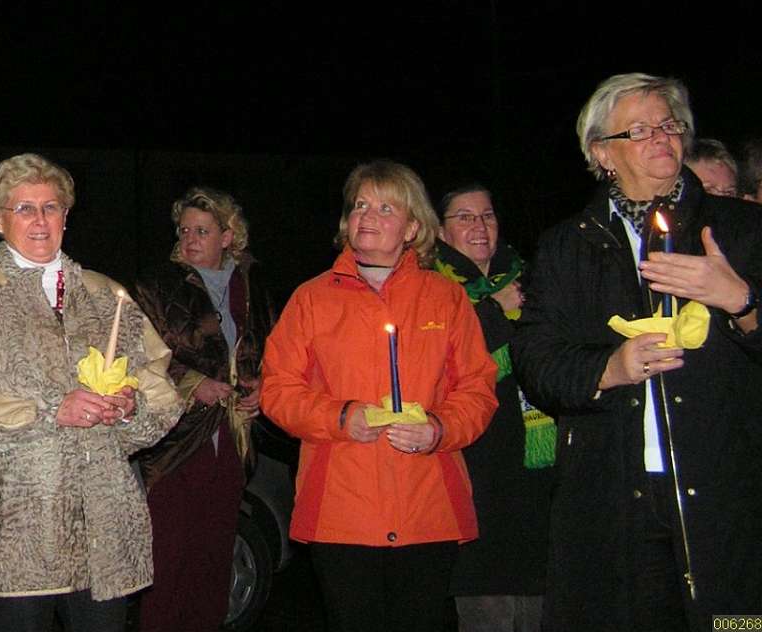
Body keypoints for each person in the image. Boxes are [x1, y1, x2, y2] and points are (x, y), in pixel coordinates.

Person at [511, 73, 762, 630]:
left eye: (669, 125)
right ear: (602, 152)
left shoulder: (741, 229)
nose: (661, 138)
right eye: (640, 129)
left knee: (736, 624)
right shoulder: (566, 245)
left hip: (728, 496)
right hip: (614, 496)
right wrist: (609, 368)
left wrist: (741, 300)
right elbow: (536, 359)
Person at [0, 153, 182, 632]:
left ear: (67, 216)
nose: (40, 220)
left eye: (51, 207)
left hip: (104, 531)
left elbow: (160, 386)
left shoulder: (107, 296)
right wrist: (51, 412)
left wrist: (130, 409)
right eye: (24, 208)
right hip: (17, 528)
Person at [261, 160, 497, 632]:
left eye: (385, 208)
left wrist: (438, 429)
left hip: (427, 508)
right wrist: (340, 417)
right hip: (341, 511)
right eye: (359, 205)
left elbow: (477, 389)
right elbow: (277, 390)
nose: (366, 216)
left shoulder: (446, 298)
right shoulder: (312, 299)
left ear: (412, 228)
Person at [132, 187, 274, 632]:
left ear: (228, 236)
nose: (190, 240)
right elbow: (139, 356)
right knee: (168, 559)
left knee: (214, 558)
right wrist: (192, 383)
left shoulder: (251, 285)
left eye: (202, 231)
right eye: (184, 230)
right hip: (176, 440)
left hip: (233, 436)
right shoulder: (158, 286)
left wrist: (263, 387)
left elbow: (277, 349)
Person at [432, 185, 553, 632]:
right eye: (464, 217)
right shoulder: (431, 289)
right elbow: (438, 367)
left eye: (487, 215)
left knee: (540, 606)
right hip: (475, 469)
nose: (479, 226)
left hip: (535, 469)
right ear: (440, 231)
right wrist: (493, 311)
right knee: (488, 609)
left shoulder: (529, 279)